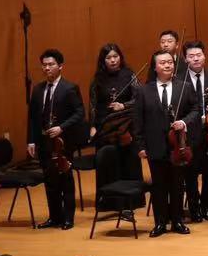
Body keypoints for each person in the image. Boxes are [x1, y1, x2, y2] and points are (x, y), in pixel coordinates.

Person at [26, 48, 85, 230]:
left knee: (65, 179)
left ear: (60, 66)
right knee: (50, 181)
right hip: (44, 143)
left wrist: (62, 127)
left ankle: (68, 218)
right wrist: (31, 140)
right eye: (44, 65)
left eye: (51, 64)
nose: (47, 68)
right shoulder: (38, 90)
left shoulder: (69, 88)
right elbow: (32, 118)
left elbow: (79, 113)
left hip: (63, 142)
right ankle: (54, 217)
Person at [136, 49, 193, 236]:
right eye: (162, 62)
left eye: (170, 62)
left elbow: (195, 109)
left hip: (178, 145)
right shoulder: (144, 91)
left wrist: (183, 122)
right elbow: (138, 121)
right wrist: (141, 146)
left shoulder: (184, 86)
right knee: (158, 186)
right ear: (155, 67)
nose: (167, 65)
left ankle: (177, 221)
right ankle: (160, 223)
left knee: (177, 185)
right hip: (154, 145)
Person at [181, 41, 208, 222]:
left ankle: (207, 205)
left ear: (204, 56)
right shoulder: (179, 80)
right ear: (185, 59)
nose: (196, 58)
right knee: (190, 173)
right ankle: (194, 207)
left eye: (199, 55)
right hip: (190, 134)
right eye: (191, 56)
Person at [90, 42, 137, 147]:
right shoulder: (98, 79)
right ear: (103, 60)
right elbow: (93, 105)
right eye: (108, 58)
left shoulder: (129, 75)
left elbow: (139, 98)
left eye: (115, 56)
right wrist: (92, 127)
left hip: (126, 121)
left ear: (120, 57)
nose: (113, 60)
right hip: (105, 123)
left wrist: (123, 105)